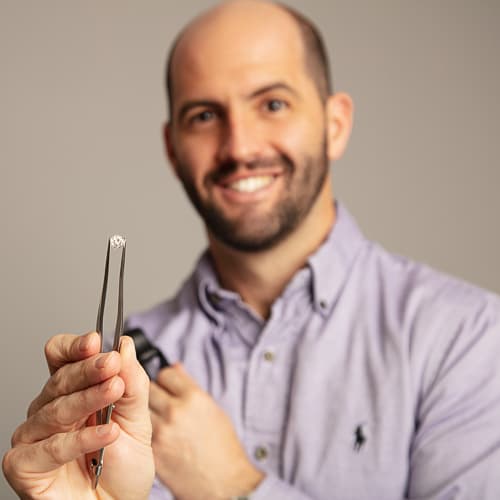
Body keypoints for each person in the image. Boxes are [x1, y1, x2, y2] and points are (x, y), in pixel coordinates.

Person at [3, 1, 500, 499]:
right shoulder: (122, 379)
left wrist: (237, 487)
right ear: (173, 149)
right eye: (204, 115)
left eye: (273, 104)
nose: (239, 147)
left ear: (335, 124)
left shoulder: (467, 339)